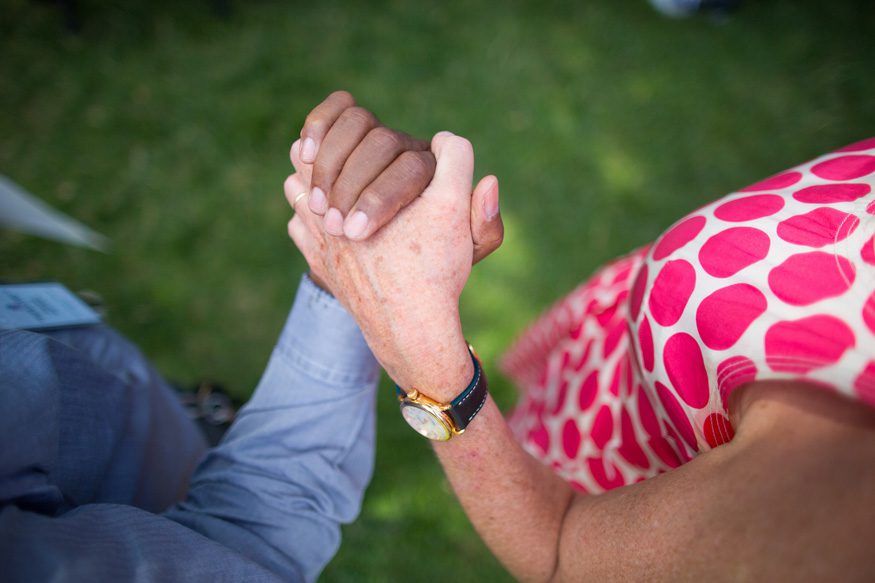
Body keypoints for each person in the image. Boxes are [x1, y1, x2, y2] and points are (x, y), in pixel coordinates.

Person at [285, 92, 875, 580]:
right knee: (536, 408)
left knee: (535, 451)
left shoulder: (846, 515)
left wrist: (428, 358)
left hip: (619, 471)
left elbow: (563, 551)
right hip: (617, 350)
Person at [0, 112, 441, 582]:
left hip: (107, 401)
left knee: (161, 427)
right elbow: (247, 537)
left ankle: (200, 422)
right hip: (137, 480)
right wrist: (344, 288)